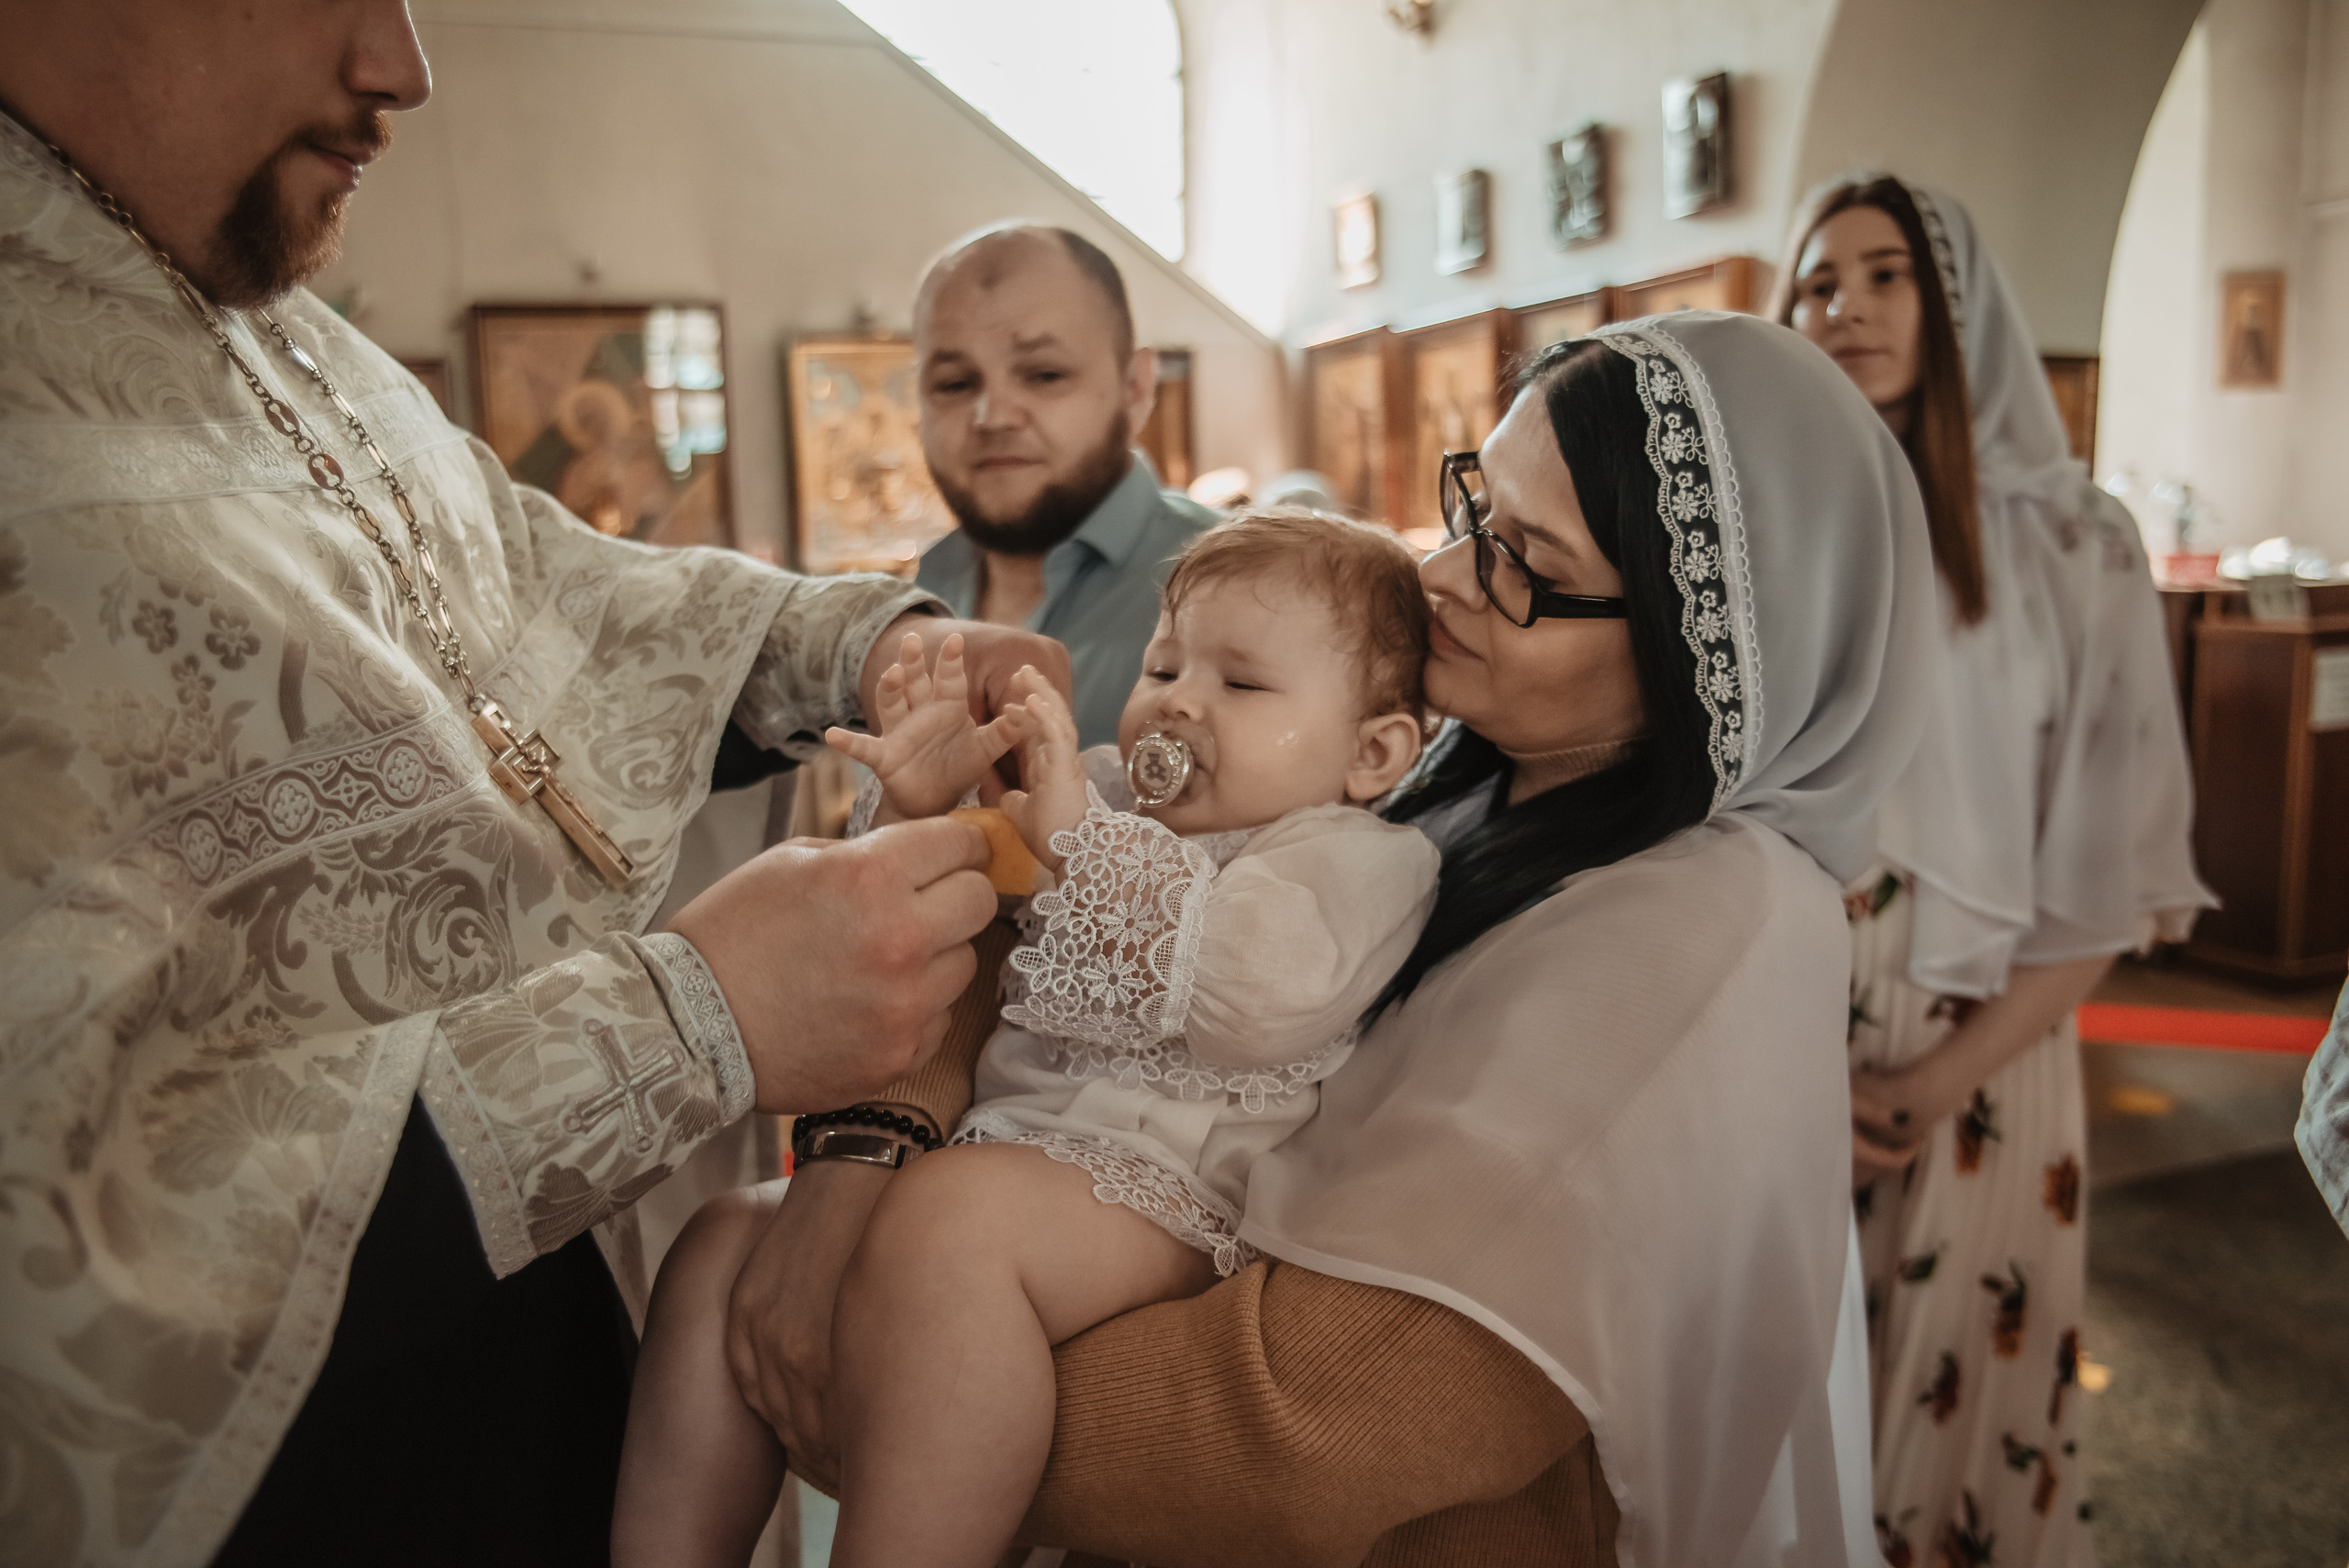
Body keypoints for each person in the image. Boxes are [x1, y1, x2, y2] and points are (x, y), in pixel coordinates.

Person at [0, 6, 1064, 1565]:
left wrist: (857, 642)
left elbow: (533, 599)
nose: (402, 69)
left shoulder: (267, 318)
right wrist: (690, 1015)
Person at [718, 311, 1941, 1566]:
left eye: (1523, 562)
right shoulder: (1452, 764)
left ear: (1695, 648)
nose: (1444, 577)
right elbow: (1023, 964)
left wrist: (900, 1366)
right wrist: (858, 1176)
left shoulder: (1707, 926)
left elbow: (1307, 1435)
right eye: (1475, 510)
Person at [615, 511, 1439, 1566]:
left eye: (1241, 683)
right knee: (724, 1238)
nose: (1178, 699)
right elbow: (963, 881)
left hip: (1170, 1187)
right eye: (1162, 662)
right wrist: (924, 799)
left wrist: (1072, 841)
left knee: (951, 1229)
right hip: (997, 1167)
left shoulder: (1356, 856)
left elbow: (1258, 991)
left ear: (1372, 752)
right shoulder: (1095, 793)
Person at [1776, 176, 2211, 1566]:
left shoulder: (2075, 541)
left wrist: (1922, 1084)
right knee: (1790, 1422)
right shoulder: (1779, 532)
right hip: (1782, 1042)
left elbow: (2111, 867)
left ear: (1956, 307)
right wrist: (1790, 1072)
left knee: (1960, 1423)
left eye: (1884, 274)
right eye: (1817, 281)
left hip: (1987, 1056)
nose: (1842, 306)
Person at [912, 225, 1219, 747]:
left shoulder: (1235, 586)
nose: (993, 416)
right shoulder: (919, 597)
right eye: (955, 384)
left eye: (1044, 375)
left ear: (1136, 387)